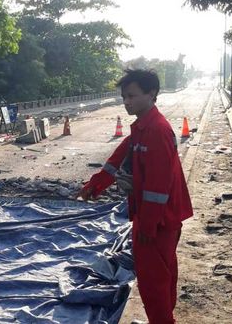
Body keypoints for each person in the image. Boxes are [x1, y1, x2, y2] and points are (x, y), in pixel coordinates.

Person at [77, 69, 193, 323]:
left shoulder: (156, 130)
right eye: (124, 96)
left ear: (151, 94)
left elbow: (158, 185)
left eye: (132, 96)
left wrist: (148, 225)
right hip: (155, 218)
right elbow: (117, 159)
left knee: (153, 283)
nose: (127, 102)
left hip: (158, 221)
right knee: (162, 277)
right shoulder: (142, 127)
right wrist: (95, 185)